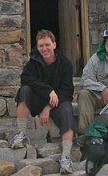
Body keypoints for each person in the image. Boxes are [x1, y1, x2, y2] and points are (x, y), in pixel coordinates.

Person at [10, 29, 76, 174]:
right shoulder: (33, 61)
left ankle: (66, 156)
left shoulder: (65, 64)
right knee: (24, 90)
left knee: (67, 111)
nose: (44, 49)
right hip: (39, 98)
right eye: (41, 46)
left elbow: (67, 92)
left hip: (58, 102)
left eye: (47, 45)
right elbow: (25, 79)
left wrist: (48, 108)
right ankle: (21, 134)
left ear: (54, 44)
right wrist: (48, 90)